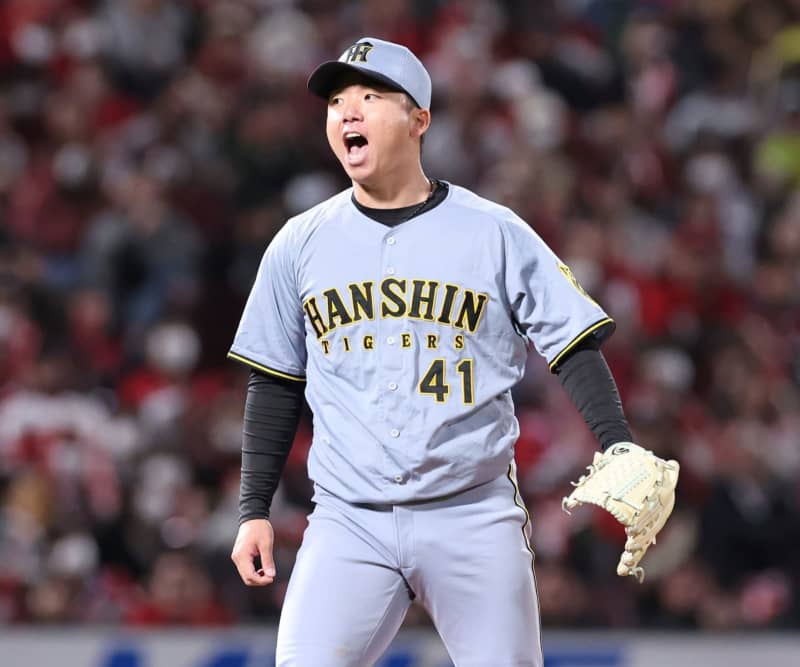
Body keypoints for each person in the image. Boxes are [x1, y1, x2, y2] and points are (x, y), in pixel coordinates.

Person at [228, 37, 659, 666]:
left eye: (371, 97)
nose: (348, 112)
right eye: (337, 101)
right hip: (348, 520)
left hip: (472, 513)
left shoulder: (493, 230)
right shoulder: (300, 242)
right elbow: (274, 380)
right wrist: (253, 510)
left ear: (419, 120)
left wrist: (616, 441)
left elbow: (571, 342)